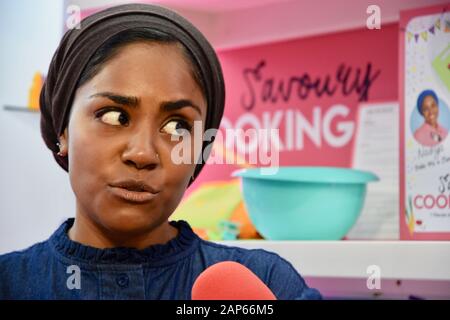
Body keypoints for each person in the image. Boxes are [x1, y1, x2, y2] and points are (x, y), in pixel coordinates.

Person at [0, 4, 321, 300]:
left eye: (177, 127)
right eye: (114, 116)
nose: (142, 154)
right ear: (63, 131)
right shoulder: (9, 283)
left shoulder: (265, 281)